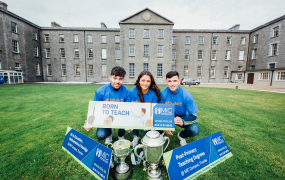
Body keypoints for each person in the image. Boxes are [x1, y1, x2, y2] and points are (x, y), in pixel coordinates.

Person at [83, 66, 130, 144]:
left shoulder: (126, 92)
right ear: (110, 78)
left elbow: (129, 109)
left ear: (123, 80)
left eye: (120, 79)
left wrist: (130, 122)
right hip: (105, 118)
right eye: (115, 78)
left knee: (124, 121)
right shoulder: (100, 91)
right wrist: (89, 122)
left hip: (120, 117)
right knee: (100, 135)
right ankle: (109, 132)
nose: (117, 81)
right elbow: (94, 109)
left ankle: (121, 135)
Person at [160, 71, 199, 146]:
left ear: (179, 81)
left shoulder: (186, 95)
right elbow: (159, 113)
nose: (172, 84)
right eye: (169, 81)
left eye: (175, 81)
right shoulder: (162, 93)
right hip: (167, 116)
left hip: (181, 117)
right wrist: (166, 124)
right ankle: (161, 132)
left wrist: (183, 121)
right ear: (166, 82)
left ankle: (181, 135)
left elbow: (194, 116)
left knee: (194, 129)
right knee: (155, 123)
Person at [127, 71, 162, 146]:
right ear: (139, 81)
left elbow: (154, 111)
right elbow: (131, 109)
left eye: (148, 81)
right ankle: (135, 136)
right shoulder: (133, 91)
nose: (145, 83)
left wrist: (148, 121)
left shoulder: (153, 93)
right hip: (136, 116)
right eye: (143, 80)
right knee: (135, 116)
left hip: (148, 116)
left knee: (147, 131)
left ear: (151, 82)